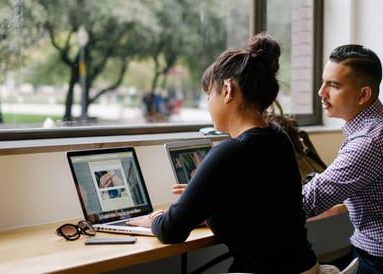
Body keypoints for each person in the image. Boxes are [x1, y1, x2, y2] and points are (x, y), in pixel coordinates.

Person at [129, 33, 322, 273]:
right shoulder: (278, 138)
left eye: (209, 94)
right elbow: (258, 209)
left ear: (228, 90)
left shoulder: (231, 152)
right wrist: (202, 202)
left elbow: (171, 231)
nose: (209, 103)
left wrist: (155, 217)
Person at [302, 44, 383, 274]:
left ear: (364, 94)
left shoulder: (370, 141)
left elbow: (309, 202)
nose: (321, 92)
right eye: (323, 82)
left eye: (333, 85)